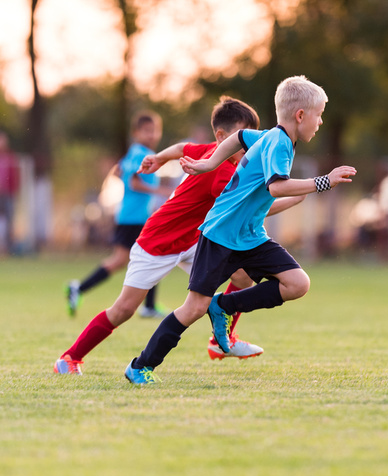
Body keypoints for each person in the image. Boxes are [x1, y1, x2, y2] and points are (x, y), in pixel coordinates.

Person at [124, 75, 356, 384]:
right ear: (300, 116)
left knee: (297, 283)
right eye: (319, 114)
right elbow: (276, 187)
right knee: (194, 308)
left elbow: (239, 137)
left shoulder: (269, 136)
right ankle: (140, 366)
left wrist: (209, 163)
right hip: (220, 235)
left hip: (249, 237)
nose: (321, 121)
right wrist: (322, 182)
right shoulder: (280, 144)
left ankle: (223, 306)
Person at [53, 97, 305, 375]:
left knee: (243, 277)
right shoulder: (222, 170)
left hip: (195, 240)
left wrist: (160, 157)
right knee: (123, 310)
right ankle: (69, 357)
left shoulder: (215, 154)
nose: (252, 146)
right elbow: (242, 211)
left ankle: (220, 340)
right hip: (157, 243)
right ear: (222, 137)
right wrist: (292, 200)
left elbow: (181, 148)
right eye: (245, 139)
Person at [65, 111, 170, 318]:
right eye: (147, 131)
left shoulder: (133, 153)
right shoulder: (141, 154)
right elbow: (133, 182)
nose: (152, 135)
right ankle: (147, 306)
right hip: (134, 217)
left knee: (138, 257)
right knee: (147, 255)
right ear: (136, 132)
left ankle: (79, 288)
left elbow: (118, 172)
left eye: (155, 130)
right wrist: (162, 192)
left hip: (132, 216)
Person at [0, 131, 20, 254]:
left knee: (9, 220)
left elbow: (15, 176)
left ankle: (8, 247)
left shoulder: (10, 157)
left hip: (8, 193)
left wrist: (14, 190)